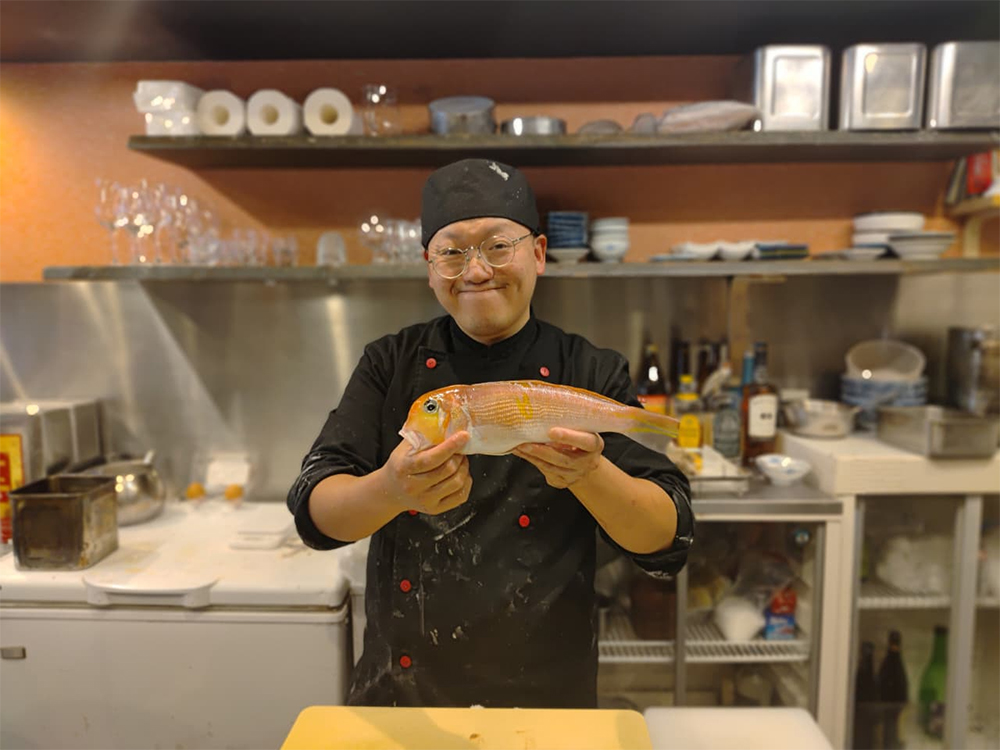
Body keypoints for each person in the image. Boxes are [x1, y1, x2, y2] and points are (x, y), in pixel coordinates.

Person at [287, 158, 693, 709]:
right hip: (406, 699)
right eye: (451, 252)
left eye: (498, 246)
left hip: (547, 697)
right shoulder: (391, 365)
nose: (476, 271)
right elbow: (316, 512)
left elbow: (665, 537)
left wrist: (589, 473)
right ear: (429, 268)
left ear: (539, 253)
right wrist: (392, 490)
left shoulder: (588, 371)